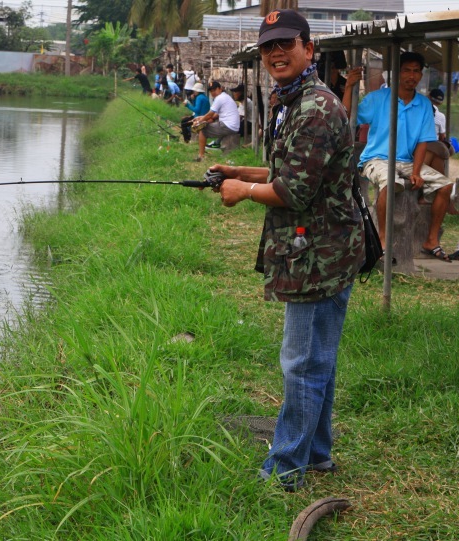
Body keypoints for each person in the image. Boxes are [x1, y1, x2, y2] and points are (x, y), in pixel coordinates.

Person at [209, 9, 364, 491]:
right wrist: (237, 175)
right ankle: (316, 453)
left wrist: (242, 192)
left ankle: (285, 469)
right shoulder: (293, 102)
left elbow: (292, 192)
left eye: (286, 44)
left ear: (308, 49)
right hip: (321, 250)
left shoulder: (315, 108)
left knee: (301, 362)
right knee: (318, 358)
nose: (276, 53)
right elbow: (289, 172)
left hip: (320, 254)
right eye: (268, 47)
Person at [343, 52, 454, 262]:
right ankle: (383, 241)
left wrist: (416, 171)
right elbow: (347, 115)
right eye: (406, 70)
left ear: (420, 75)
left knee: (445, 186)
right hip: (375, 159)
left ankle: (431, 240)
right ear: (397, 73)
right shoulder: (378, 98)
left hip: (407, 161)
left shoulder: (423, 105)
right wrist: (349, 87)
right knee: (389, 183)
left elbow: (424, 141)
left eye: (415, 71)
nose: (411, 75)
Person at [191, 80, 240, 161]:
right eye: (211, 91)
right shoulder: (225, 97)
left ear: (220, 89)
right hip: (232, 126)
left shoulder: (219, 98)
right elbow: (215, 115)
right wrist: (201, 118)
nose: (213, 92)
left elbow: (210, 114)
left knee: (202, 130)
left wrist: (200, 121)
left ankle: (201, 156)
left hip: (228, 126)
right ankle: (202, 154)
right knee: (204, 124)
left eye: (214, 90)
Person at [424, 88, 453, 176]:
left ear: (428, 97)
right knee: (448, 149)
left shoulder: (420, 110)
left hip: (419, 144)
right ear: (440, 103)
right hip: (432, 144)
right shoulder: (441, 116)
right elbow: (442, 136)